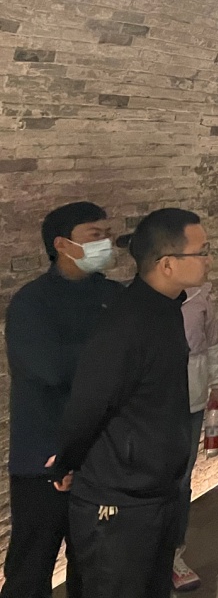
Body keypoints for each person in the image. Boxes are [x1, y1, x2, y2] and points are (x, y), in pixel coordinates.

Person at [52, 208, 210, 598]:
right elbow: (90, 404)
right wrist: (68, 461)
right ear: (167, 264)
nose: (208, 260)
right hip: (118, 501)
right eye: (201, 252)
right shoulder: (126, 322)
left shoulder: (167, 309)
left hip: (155, 492)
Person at [3, 202, 121, 598]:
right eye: (94, 235)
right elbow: (50, 369)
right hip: (42, 456)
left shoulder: (113, 295)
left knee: (94, 568)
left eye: (107, 234)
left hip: (100, 455)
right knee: (30, 568)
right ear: (61, 244)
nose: (105, 242)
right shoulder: (32, 302)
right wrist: (108, 356)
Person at [172, 283, 218, 591]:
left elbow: (212, 342)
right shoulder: (142, 296)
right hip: (151, 404)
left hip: (192, 399)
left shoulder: (200, 297)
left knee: (182, 479)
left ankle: (174, 553)